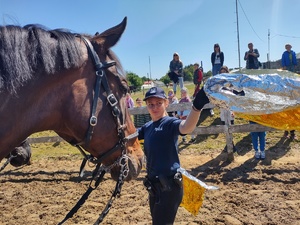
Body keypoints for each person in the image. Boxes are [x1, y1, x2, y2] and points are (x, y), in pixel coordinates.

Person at [138, 86, 209, 225]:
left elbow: (186, 127)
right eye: (150, 104)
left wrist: (196, 107)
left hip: (169, 187)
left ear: (166, 103)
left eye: (159, 103)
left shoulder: (169, 123)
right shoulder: (147, 127)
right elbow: (128, 135)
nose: (154, 107)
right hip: (154, 187)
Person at [219, 66, 238, 152]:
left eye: (224, 71)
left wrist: (233, 110)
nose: (223, 73)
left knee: (231, 126)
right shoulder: (219, 83)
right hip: (222, 108)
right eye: (221, 72)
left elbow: (234, 97)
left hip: (230, 108)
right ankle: (228, 144)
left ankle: (231, 144)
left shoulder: (231, 84)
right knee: (224, 127)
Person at [281, 43, 297, 140]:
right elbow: (283, 61)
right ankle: (286, 132)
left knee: (292, 117)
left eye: (289, 47)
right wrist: (284, 66)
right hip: (286, 103)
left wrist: (295, 64)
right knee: (286, 117)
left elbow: (294, 59)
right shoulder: (284, 54)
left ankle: (292, 133)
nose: (288, 48)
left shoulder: (293, 53)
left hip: (293, 102)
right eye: (286, 47)